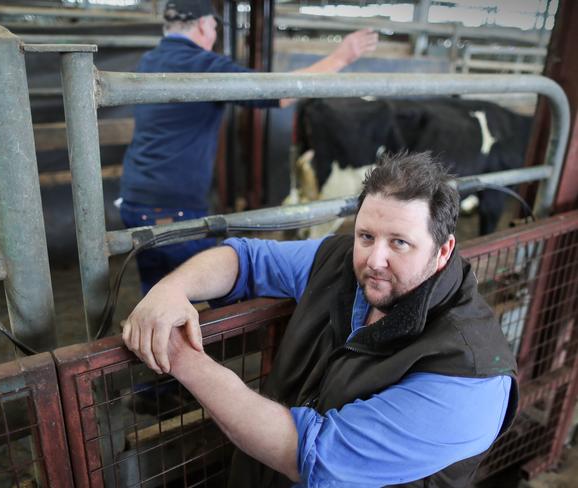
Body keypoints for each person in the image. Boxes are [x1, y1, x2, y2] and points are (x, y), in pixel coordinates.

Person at [122, 151, 519, 487]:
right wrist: (172, 289)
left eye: (399, 242)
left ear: (444, 250)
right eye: (366, 236)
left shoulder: (470, 376)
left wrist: (182, 355)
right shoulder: (339, 260)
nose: (373, 260)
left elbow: (311, 455)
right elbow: (246, 258)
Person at [119, 0, 378, 295]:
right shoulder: (201, 65)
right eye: (215, 26)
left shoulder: (150, 61)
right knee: (191, 291)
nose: (214, 33)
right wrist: (342, 57)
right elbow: (278, 94)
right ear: (205, 25)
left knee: (154, 292)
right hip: (174, 206)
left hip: (135, 198)